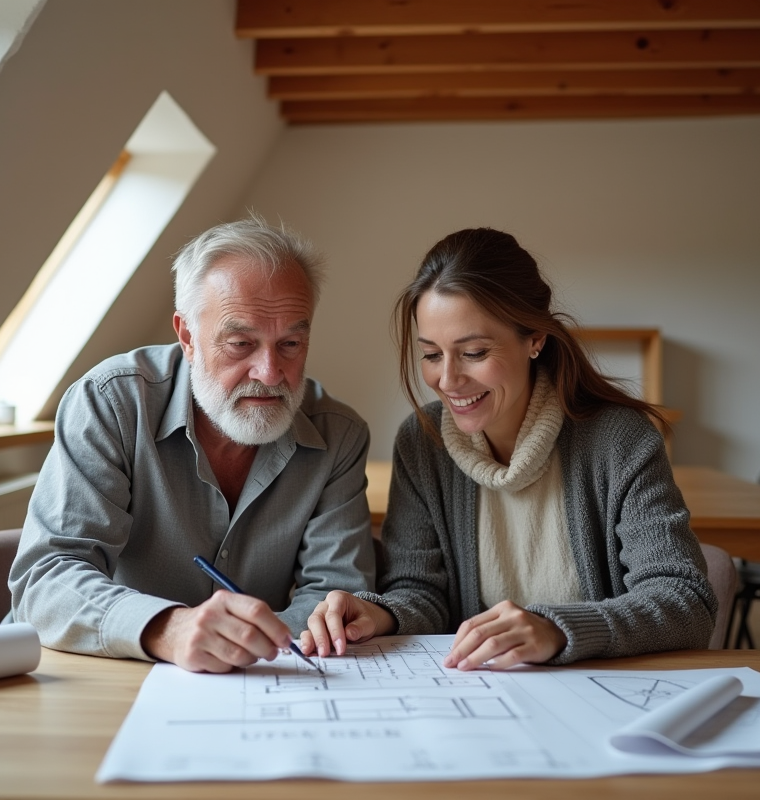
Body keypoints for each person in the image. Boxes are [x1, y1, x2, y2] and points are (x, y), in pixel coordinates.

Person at [303, 228, 715, 669]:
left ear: (535, 338)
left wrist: (557, 629)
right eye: (432, 354)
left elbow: (685, 600)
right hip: (479, 691)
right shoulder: (422, 442)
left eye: (474, 352)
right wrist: (380, 614)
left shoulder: (620, 440)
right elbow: (420, 592)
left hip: (601, 690)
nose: (448, 380)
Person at [9, 216, 375, 672]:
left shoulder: (339, 435)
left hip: (260, 679)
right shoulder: (111, 403)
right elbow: (46, 579)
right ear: (187, 336)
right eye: (240, 343)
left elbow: (336, 596)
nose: (269, 373)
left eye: (291, 343)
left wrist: (251, 645)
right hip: (104, 674)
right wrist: (168, 628)